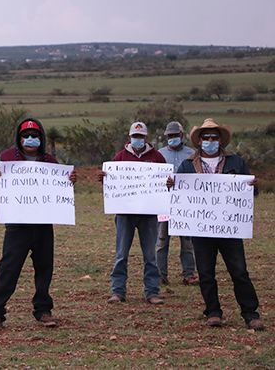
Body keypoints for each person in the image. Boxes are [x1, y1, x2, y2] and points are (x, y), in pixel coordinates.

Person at [167, 118, 265, 330]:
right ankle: (213, 312)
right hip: (201, 230)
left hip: (230, 228)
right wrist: (172, 186)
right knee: (205, 272)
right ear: (199, 140)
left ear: (220, 140)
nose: (210, 141)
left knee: (239, 271)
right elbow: (177, 195)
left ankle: (250, 313)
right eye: (206, 137)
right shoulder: (186, 166)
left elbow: (251, 194)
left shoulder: (236, 162)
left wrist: (252, 186)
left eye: (214, 137)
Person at [0, 118, 77, 329]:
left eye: (34, 136)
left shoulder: (50, 162)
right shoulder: (7, 158)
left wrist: (70, 180)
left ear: (41, 138)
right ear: (19, 138)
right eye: (25, 135)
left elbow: (63, 191)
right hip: (17, 225)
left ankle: (43, 310)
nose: (30, 139)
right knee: (8, 268)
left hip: (43, 224)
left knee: (44, 268)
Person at [98, 121, 166, 305]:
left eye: (141, 136)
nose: (138, 139)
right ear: (130, 137)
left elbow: (166, 182)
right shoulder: (119, 157)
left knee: (150, 255)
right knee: (121, 254)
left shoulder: (157, 157)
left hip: (149, 214)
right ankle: (118, 291)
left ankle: (152, 292)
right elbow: (112, 185)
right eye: (135, 136)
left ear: (146, 137)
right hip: (124, 213)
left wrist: (168, 183)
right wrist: (105, 178)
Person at [156, 121, 198, 286]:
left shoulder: (192, 154)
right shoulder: (159, 154)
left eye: (175, 135)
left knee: (187, 242)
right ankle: (160, 275)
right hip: (164, 204)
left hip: (185, 205)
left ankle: (189, 274)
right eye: (169, 136)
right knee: (161, 240)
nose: (172, 138)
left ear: (182, 135)